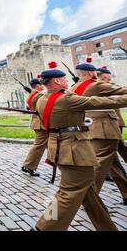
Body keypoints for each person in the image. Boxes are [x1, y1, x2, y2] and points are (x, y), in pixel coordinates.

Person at [33, 61, 127, 231]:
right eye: (64, 79)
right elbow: (100, 102)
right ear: (56, 82)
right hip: (74, 152)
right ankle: (43, 226)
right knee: (67, 194)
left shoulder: (41, 99)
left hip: (59, 149)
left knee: (89, 193)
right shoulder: (66, 99)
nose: (67, 82)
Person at [70, 58, 127, 203]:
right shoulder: (96, 85)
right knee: (100, 164)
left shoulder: (74, 87)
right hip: (105, 128)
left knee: (114, 163)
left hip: (90, 128)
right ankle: (88, 197)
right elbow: (121, 91)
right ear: (91, 72)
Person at [96, 66, 127, 205]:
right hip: (104, 127)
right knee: (113, 160)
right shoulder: (96, 87)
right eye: (105, 79)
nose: (108, 82)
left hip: (113, 124)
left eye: (109, 79)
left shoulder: (106, 87)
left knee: (113, 159)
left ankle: (90, 197)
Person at [21, 76, 47, 177]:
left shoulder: (33, 95)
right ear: (37, 86)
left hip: (38, 122)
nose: (43, 87)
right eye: (41, 85)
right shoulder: (38, 95)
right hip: (40, 123)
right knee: (39, 146)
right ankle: (28, 166)